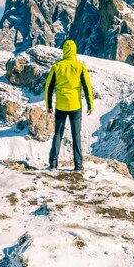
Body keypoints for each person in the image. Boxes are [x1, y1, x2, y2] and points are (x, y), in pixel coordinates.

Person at [45, 39, 93, 172]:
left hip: (61, 106)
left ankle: (53, 164)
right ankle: (78, 165)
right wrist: (90, 104)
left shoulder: (57, 66)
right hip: (75, 106)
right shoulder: (80, 67)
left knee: (58, 134)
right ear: (75, 51)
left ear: (64, 51)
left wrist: (48, 105)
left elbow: (48, 87)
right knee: (76, 135)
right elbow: (87, 86)